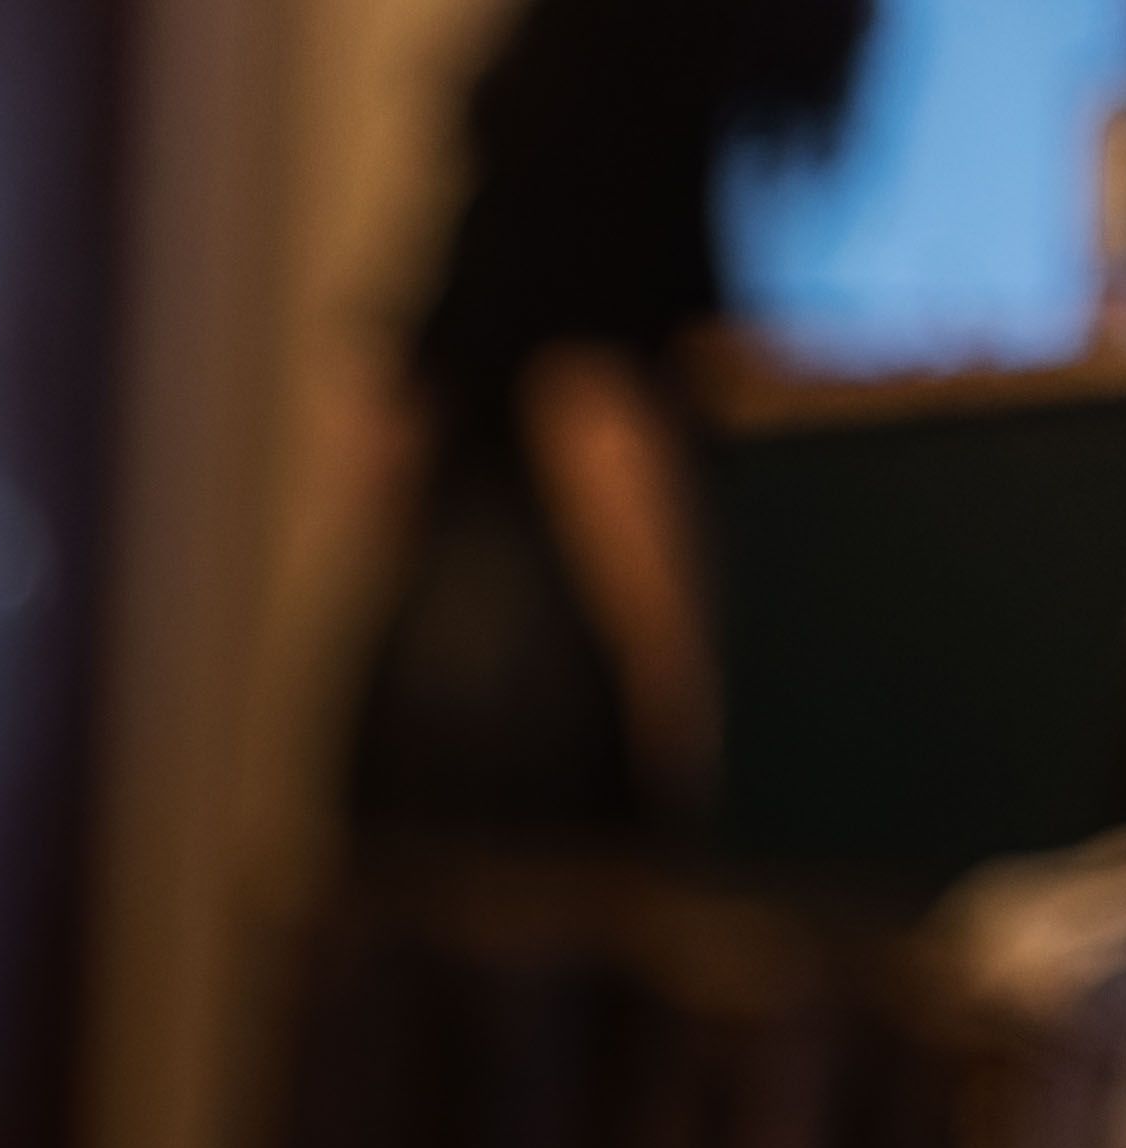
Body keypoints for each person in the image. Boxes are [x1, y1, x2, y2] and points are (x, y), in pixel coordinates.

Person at [342, 0, 879, 838]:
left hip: (442, 656)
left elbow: (399, 422)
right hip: (528, 681)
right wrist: (674, 687)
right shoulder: (641, 61)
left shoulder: (556, 82)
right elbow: (583, 388)